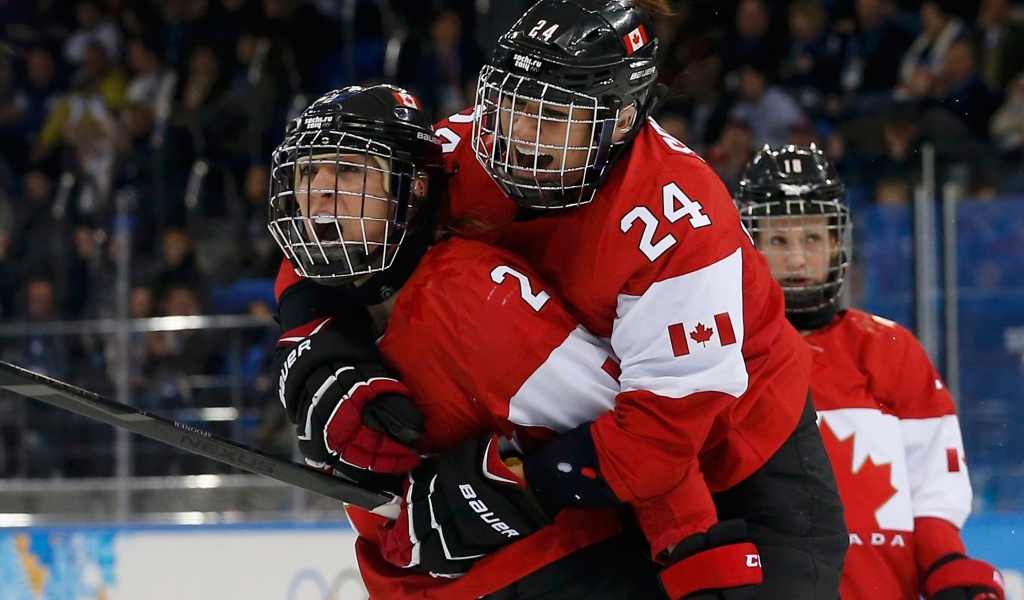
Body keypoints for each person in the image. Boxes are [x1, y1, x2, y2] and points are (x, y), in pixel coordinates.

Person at [274, 0, 849, 597]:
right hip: (605, 446)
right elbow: (343, 226)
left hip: (742, 454)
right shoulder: (468, 151)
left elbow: (659, 441)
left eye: (549, 119)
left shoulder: (680, 224)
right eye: (510, 103)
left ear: (620, 119)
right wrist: (318, 342)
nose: (516, 135)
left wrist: (507, 488)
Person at [269, 84, 664, 599]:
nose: (319, 189)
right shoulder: (326, 339)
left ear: (410, 188)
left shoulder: (471, 298)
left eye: (347, 169)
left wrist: (513, 486)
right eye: (307, 171)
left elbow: (640, 442)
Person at [736, 144, 1005, 600]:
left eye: (813, 239)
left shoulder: (888, 348)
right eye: (780, 240)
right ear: (751, 245)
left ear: (838, 243)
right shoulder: (723, 353)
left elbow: (932, 487)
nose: (798, 259)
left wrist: (947, 565)